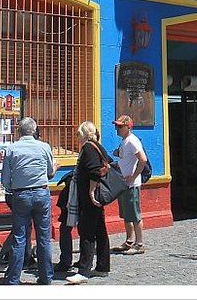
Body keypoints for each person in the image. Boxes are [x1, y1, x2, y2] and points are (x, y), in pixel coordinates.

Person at [0, 117, 56, 285]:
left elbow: (5, 179)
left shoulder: (11, 149)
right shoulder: (44, 147)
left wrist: (13, 187)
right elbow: (49, 171)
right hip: (41, 192)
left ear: (19, 131)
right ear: (34, 130)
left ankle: (13, 278)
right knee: (44, 237)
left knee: (20, 237)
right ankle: (46, 276)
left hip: (21, 194)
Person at [67, 121, 111, 284]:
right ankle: (102, 266)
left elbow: (95, 171)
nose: (77, 138)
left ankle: (84, 270)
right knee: (100, 231)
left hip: (90, 198)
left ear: (84, 135)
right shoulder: (99, 147)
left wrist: (91, 192)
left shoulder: (88, 148)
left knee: (87, 232)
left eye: (78, 134)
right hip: (96, 197)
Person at [111, 115, 148, 256]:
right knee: (126, 215)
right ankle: (129, 240)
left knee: (135, 214)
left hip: (131, 185)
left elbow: (142, 159)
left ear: (128, 127)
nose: (117, 129)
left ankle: (139, 244)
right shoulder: (125, 141)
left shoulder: (133, 141)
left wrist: (133, 176)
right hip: (124, 184)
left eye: (120, 126)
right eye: (117, 126)